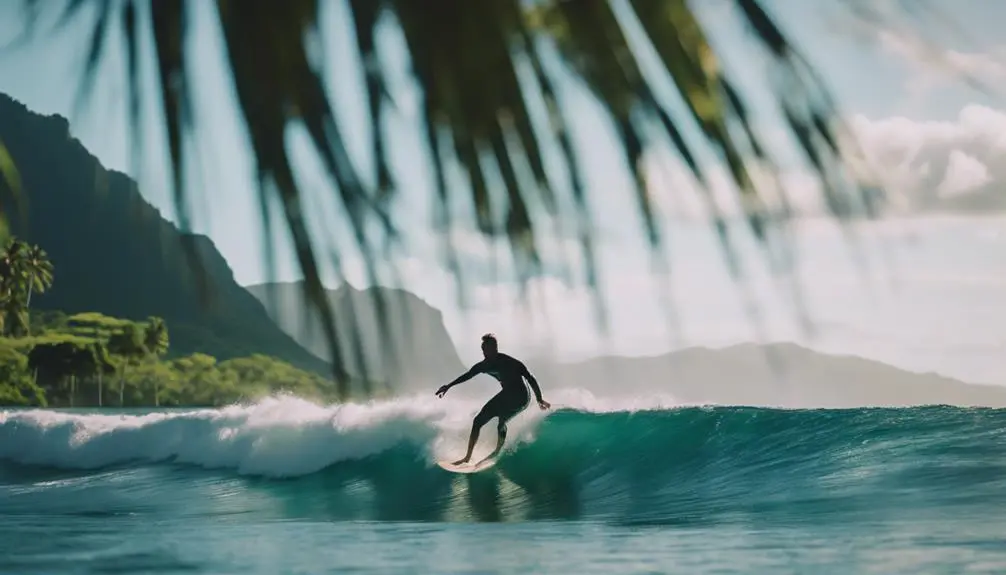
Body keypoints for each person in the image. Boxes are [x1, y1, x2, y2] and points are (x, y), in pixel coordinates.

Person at [436, 333, 550, 465]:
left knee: (502, 420)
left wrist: (539, 399)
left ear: (495, 348)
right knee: (478, 421)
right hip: (506, 394)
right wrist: (449, 386)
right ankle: (467, 457)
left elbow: (530, 378)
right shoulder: (484, 365)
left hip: (521, 396)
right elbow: (468, 375)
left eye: (487, 350)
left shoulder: (511, 362)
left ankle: (497, 451)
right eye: (483, 350)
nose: (484, 353)